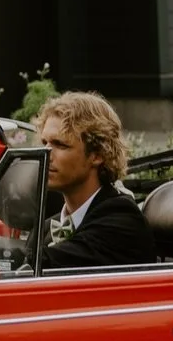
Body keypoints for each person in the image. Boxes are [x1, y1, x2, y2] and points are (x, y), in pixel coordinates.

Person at [35, 91, 158, 271]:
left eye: (60, 145)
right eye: (44, 143)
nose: (46, 154)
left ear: (97, 155)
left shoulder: (121, 222)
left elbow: (48, 263)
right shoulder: (48, 226)